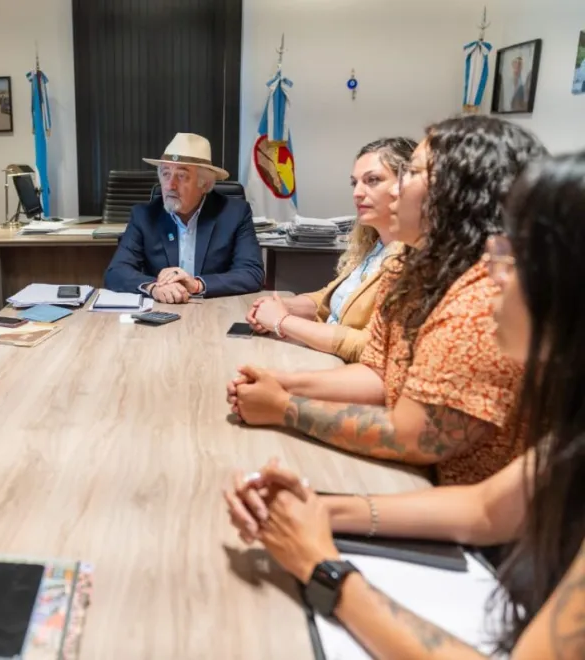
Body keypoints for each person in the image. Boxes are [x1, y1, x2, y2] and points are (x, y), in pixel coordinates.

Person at [223, 151, 585, 659]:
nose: (495, 273)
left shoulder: (468, 299)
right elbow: (486, 508)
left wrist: (324, 568)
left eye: (515, 252)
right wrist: (313, 508)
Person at [227, 116, 548, 485]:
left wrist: (286, 407)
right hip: (416, 483)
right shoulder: (408, 266)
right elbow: (378, 374)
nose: (395, 191)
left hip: (462, 515)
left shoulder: (483, 299)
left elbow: (414, 436)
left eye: (411, 173)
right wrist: (281, 381)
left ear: (461, 194)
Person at [246, 138, 415, 362]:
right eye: (355, 183)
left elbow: (372, 346)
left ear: (407, 186)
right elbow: (331, 298)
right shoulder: (375, 245)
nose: (357, 193)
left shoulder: (413, 257)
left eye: (372, 180)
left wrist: (283, 321)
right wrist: (284, 306)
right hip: (326, 359)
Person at [103, 132, 264, 302]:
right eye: (165, 174)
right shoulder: (144, 215)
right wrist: (153, 287)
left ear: (205, 184)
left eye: (181, 176)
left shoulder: (235, 214)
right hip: (161, 311)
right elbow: (116, 272)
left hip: (214, 310)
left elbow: (251, 273)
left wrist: (197, 285)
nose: (170, 185)